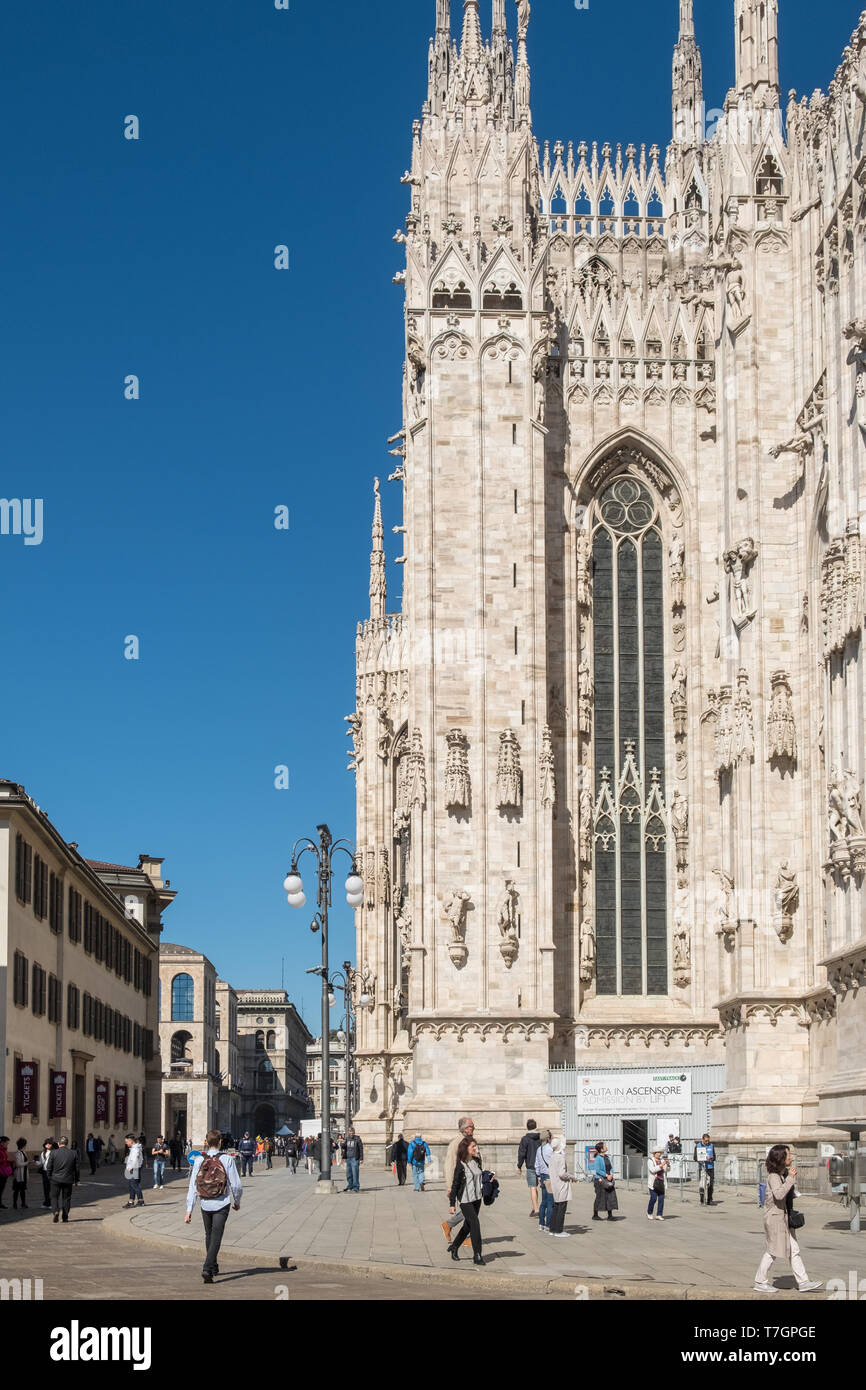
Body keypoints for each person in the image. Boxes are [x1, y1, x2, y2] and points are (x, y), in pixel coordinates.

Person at [753, 1145, 822, 1294]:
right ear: (781, 1158)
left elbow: (783, 1193)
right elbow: (778, 1195)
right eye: (788, 1155)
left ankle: (803, 1282)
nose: (791, 1158)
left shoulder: (781, 1174)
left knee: (794, 1250)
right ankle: (760, 1281)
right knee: (772, 1251)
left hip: (783, 1218)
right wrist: (790, 1179)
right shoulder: (774, 1176)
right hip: (775, 1219)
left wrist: (792, 1188)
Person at [184, 1128, 243, 1284]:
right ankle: (207, 1267)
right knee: (216, 1236)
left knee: (209, 1235)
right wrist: (237, 1201)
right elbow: (236, 1184)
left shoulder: (198, 1160)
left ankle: (214, 1266)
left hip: (204, 1203)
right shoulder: (227, 1159)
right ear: (220, 1142)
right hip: (222, 1203)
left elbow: (193, 1185)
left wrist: (189, 1210)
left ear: (206, 1142)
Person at [447, 1136, 486, 1265]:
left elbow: (480, 1176)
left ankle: (454, 1246)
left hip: (477, 1199)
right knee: (475, 1224)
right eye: (473, 1146)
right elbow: (455, 1185)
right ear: (466, 1148)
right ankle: (477, 1255)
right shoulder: (461, 1165)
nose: (475, 1148)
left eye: (475, 1146)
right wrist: (452, 1204)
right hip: (465, 1200)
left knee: (467, 1226)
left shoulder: (477, 1161)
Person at [442, 1117, 476, 1242]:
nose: (472, 1129)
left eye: (473, 1127)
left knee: (471, 1210)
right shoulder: (456, 1143)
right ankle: (467, 1237)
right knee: (471, 1211)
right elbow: (449, 1165)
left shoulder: (471, 1141)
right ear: (463, 1129)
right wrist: (450, 1186)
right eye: (470, 1127)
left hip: (472, 1182)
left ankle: (450, 1225)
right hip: (462, 1183)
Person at [45, 1136, 79, 1223]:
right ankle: (65, 1216)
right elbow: (77, 1168)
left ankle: (56, 1211)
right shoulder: (73, 1153)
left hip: (55, 1179)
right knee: (66, 1198)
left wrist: (49, 1177)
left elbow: (49, 1167)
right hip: (68, 1179)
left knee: (54, 1197)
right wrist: (77, 1179)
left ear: (58, 1143)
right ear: (67, 1143)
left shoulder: (53, 1153)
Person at [548, 1137, 577, 1236]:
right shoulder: (560, 1157)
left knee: (556, 1207)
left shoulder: (552, 1156)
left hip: (555, 1184)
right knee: (561, 1208)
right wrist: (572, 1177)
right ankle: (558, 1230)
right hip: (561, 1185)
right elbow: (562, 1174)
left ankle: (552, 1229)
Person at [517, 1118, 542, 1216]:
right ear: (536, 1126)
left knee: (533, 1187)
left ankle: (536, 1210)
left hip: (531, 1166)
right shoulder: (541, 1138)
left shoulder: (525, 1139)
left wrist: (519, 1166)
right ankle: (537, 1206)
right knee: (542, 1187)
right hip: (541, 1166)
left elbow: (522, 1153)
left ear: (527, 1127)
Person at [590, 1141, 618, 1220]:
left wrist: (611, 1174)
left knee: (610, 1196)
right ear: (601, 1149)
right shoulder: (598, 1158)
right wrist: (606, 1175)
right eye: (604, 1146)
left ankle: (610, 1215)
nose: (606, 1147)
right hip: (600, 1180)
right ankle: (595, 1215)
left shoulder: (606, 1157)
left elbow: (611, 1167)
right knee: (599, 1197)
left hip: (609, 1178)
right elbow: (598, 1170)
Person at [535, 1129, 554, 1231]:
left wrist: (538, 1177)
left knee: (544, 1201)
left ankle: (541, 1223)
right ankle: (548, 1224)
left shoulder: (539, 1149)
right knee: (551, 1202)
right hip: (550, 1176)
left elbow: (536, 1164)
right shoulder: (551, 1149)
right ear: (548, 1138)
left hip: (542, 1176)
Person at [122, 1134, 144, 1208]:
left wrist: (130, 1167)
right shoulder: (135, 1148)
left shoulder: (135, 1149)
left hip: (134, 1168)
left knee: (134, 1185)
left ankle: (141, 1200)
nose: (126, 1143)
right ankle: (131, 1201)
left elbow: (134, 1160)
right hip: (135, 1168)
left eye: (126, 1141)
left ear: (131, 1141)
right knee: (131, 1185)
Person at [647, 1148, 668, 1220]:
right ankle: (649, 1212)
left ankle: (659, 1214)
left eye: (660, 1153)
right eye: (658, 1152)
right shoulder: (650, 1160)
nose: (659, 1154)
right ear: (654, 1153)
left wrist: (668, 1165)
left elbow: (665, 1170)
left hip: (661, 1182)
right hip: (653, 1183)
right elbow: (652, 1170)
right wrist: (661, 1165)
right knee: (653, 1198)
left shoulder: (662, 1160)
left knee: (661, 1199)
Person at [695, 1133, 716, 1205]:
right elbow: (695, 1158)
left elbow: (714, 1157)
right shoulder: (698, 1146)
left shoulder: (711, 1145)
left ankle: (709, 1199)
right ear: (702, 1139)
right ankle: (702, 1199)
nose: (707, 1142)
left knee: (710, 1184)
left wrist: (711, 1158)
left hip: (710, 1167)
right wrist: (702, 1159)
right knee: (702, 1184)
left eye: (708, 1141)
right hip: (702, 1168)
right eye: (706, 1141)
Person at [37, 1139, 56, 1207]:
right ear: (45, 1145)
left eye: (49, 1144)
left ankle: (51, 1203)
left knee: (51, 1188)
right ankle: (46, 1202)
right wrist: (36, 1162)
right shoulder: (43, 1153)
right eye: (47, 1144)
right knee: (45, 1188)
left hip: (52, 1172)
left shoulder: (54, 1152)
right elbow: (41, 1163)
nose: (48, 1145)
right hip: (45, 1172)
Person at [344, 1127, 363, 1192]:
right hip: (348, 1158)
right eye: (350, 1132)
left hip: (355, 1158)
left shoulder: (357, 1138)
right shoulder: (347, 1138)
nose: (351, 1133)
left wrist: (361, 1158)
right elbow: (343, 1147)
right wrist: (343, 1143)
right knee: (348, 1173)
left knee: (355, 1173)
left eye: (352, 1132)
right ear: (349, 1132)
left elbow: (361, 1148)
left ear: (354, 1132)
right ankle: (350, 1186)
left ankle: (356, 1187)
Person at [12, 1138, 29, 1209]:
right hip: (19, 1174)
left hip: (23, 1173)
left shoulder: (23, 1152)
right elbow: (18, 1164)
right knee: (16, 1190)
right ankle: (15, 1204)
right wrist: (27, 1163)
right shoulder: (18, 1153)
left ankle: (23, 1203)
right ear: (23, 1145)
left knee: (22, 1190)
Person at [0, 1137, 10, 1208]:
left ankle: (0, 1203)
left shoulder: (4, 1150)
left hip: (4, 1172)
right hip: (0, 1172)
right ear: (2, 1143)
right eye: (7, 1143)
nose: (7, 1144)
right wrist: (4, 1161)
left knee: (1, 1188)